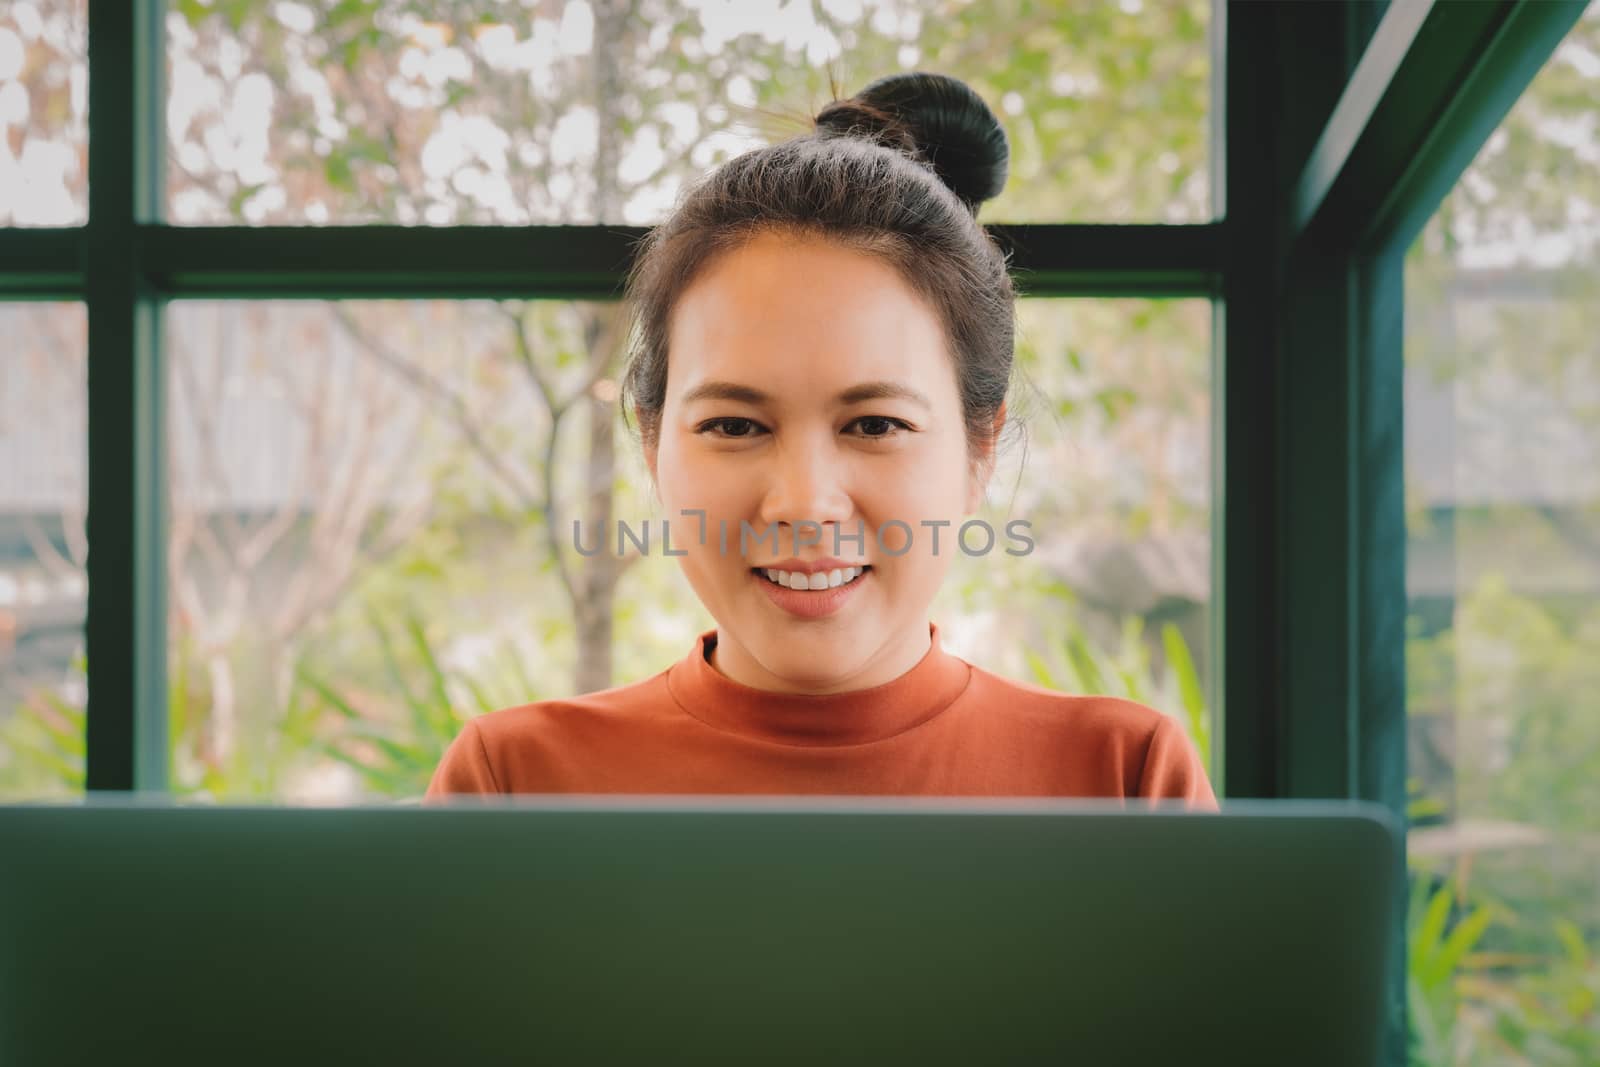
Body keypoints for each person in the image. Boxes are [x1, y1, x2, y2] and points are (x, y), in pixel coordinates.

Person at [426, 71, 1217, 809]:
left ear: (980, 449)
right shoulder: (514, 785)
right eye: (735, 425)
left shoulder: (1122, 780)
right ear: (652, 445)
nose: (805, 504)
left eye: (875, 425)